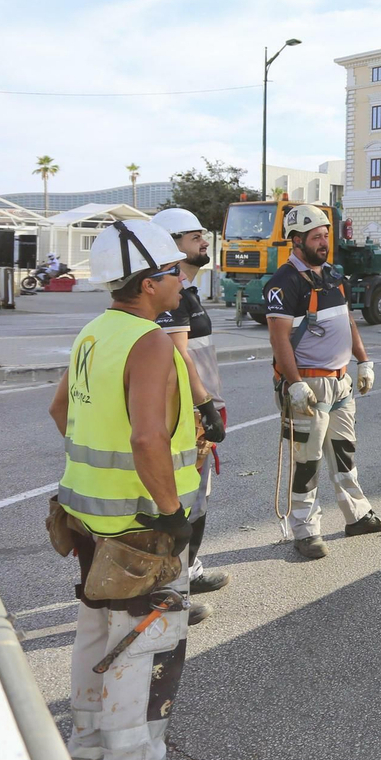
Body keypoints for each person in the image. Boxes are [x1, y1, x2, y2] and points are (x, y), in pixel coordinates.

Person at [47, 219, 216, 760]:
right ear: (149, 282)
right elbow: (147, 441)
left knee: (96, 641)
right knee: (144, 658)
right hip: (142, 534)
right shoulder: (149, 343)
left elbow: (59, 410)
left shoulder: (95, 333)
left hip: (91, 525)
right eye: (173, 271)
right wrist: (171, 515)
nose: (181, 280)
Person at [264, 204, 381, 559]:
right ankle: (305, 532)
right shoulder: (283, 283)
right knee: (306, 463)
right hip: (307, 386)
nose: (324, 243)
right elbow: (279, 339)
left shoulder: (335, 277)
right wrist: (293, 383)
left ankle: (357, 515)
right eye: (316, 237)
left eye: (326, 236)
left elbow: (349, 322)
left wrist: (363, 361)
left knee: (344, 452)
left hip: (340, 384)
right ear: (296, 241)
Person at [150, 207, 228, 625]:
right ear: (169, 244)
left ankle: (188, 571)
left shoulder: (188, 291)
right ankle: (169, 591)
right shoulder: (170, 294)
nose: (204, 241)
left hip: (199, 413)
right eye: (193, 235)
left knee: (198, 501)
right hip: (185, 418)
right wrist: (205, 408)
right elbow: (178, 359)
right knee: (180, 503)